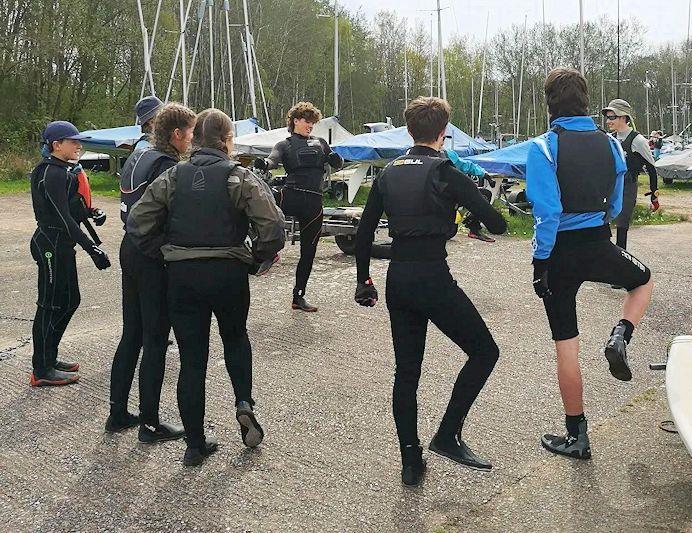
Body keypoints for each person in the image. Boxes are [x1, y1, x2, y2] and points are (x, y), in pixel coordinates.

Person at [353, 96, 507, 486]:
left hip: (397, 279)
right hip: (432, 277)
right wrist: (471, 205)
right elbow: (498, 224)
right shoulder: (445, 170)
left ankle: (410, 461)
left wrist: (363, 280)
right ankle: (447, 434)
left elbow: (365, 231)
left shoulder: (388, 173)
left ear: (409, 131)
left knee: (406, 372)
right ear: (443, 133)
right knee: (485, 351)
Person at [127, 108, 286, 466]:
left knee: (192, 361)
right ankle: (243, 401)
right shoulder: (239, 177)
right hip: (228, 274)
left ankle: (195, 444)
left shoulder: (172, 176)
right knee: (235, 338)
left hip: (183, 277)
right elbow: (272, 227)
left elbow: (138, 223)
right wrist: (255, 258)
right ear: (227, 139)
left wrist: (165, 253)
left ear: (196, 138)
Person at [527, 68, 654, 460]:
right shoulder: (614, 145)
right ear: (586, 102)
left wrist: (539, 262)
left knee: (567, 346)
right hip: (598, 243)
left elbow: (547, 214)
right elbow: (615, 206)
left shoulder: (544, 147)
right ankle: (620, 335)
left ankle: (577, 436)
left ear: (550, 104)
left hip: (560, 255)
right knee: (643, 280)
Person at [105, 103, 197, 439]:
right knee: (155, 338)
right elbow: (174, 215)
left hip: (130, 248)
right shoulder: (166, 165)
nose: (191, 139)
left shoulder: (137, 155)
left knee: (132, 334)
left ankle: (117, 413)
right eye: (189, 132)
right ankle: (149, 422)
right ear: (176, 134)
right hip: (151, 256)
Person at [29, 121, 111, 386]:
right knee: (49, 305)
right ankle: (41, 369)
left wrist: (91, 212)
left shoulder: (63, 170)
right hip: (50, 244)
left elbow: (70, 208)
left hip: (62, 244)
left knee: (71, 300)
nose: (79, 146)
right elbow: (63, 219)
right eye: (73, 141)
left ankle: (48, 357)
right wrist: (92, 249)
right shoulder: (50, 172)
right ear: (57, 145)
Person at [264, 102, 343, 312]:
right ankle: (265, 254)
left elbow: (338, 163)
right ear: (295, 121)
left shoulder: (321, 142)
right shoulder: (284, 144)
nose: (310, 125)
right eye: (307, 121)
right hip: (290, 196)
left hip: (314, 202)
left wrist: (337, 159)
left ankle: (298, 297)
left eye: (313, 122)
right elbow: (272, 160)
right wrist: (264, 164)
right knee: (263, 208)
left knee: (308, 252)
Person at [602, 99, 659, 251]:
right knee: (603, 222)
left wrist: (654, 195)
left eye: (612, 117)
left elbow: (651, 168)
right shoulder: (610, 138)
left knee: (622, 225)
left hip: (628, 186)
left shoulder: (637, 140)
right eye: (607, 117)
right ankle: (606, 258)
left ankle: (621, 262)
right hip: (610, 186)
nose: (608, 121)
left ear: (623, 117)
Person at [442, 149, 496, 242]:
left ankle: (471, 225)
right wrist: (485, 175)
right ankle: (473, 228)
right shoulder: (446, 154)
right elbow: (465, 165)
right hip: (448, 196)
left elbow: (466, 165)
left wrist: (484, 174)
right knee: (485, 195)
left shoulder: (411, 156)